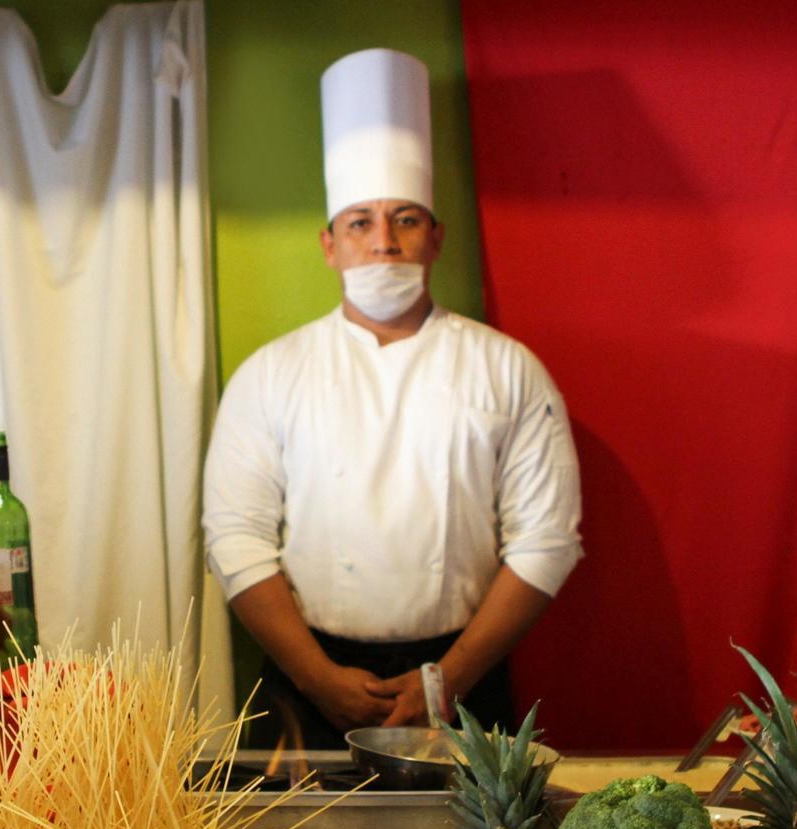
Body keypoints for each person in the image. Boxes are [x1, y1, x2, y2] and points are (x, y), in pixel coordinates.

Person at [202, 48, 583, 750]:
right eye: (360, 222)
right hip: (304, 681)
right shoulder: (271, 373)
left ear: (435, 237)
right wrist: (318, 677)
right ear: (329, 245)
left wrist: (447, 678)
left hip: (465, 677)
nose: (384, 243)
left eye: (406, 220)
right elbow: (235, 538)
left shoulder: (507, 368)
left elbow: (547, 541)